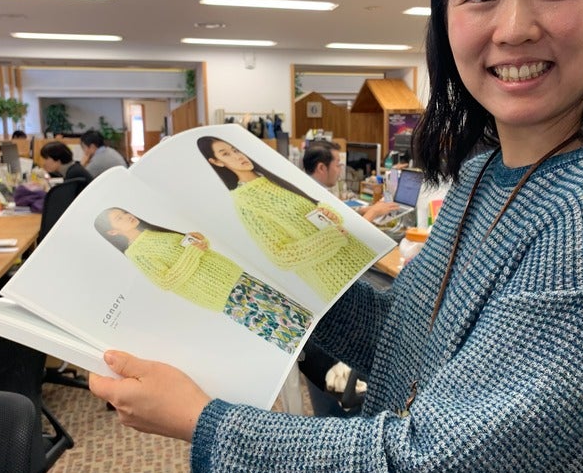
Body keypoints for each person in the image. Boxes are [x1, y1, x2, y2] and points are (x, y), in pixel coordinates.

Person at [89, 0, 583, 473]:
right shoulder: (483, 175)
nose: (514, 27)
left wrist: (203, 424)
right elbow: (402, 335)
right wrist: (267, 281)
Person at [94, 207, 312, 353]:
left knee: (291, 312)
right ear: (113, 232)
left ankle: (317, 340)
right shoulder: (136, 252)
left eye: (124, 212)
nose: (127, 216)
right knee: (281, 327)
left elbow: (193, 248)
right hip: (222, 293)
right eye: (119, 218)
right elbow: (166, 281)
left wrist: (198, 240)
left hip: (231, 275)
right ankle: (314, 357)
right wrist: (193, 252)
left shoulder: (152, 233)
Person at [197, 135, 376, 301]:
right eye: (226, 154)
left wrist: (329, 213)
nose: (237, 156)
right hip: (338, 279)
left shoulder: (273, 177)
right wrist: (332, 237)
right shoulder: (245, 201)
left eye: (235, 150)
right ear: (216, 162)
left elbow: (314, 207)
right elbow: (282, 256)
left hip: (360, 259)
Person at [303, 140, 400, 223]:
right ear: (321, 168)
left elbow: (339, 214)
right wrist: (374, 212)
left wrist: (366, 210)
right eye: (337, 165)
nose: (340, 169)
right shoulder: (312, 200)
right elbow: (343, 234)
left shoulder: (312, 189)